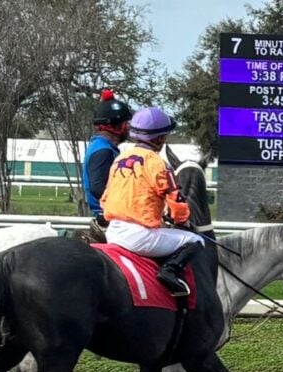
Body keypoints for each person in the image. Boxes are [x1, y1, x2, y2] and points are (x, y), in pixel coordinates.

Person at [101, 106, 205, 296]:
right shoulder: (158, 163)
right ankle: (170, 271)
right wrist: (182, 221)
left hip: (113, 231)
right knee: (196, 241)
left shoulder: (119, 159)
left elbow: (105, 198)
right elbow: (176, 201)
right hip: (140, 237)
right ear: (159, 138)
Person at [82, 89, 132, 236]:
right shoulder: (104, 151)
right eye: (125, 123)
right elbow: (97, 187)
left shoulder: (103, 147)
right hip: (110, 219)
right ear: (115, 126)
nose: (128, 127)